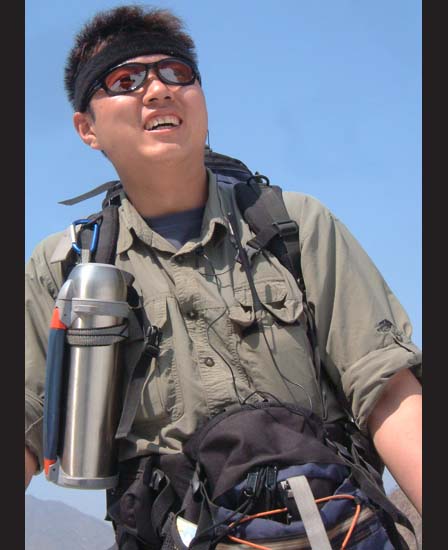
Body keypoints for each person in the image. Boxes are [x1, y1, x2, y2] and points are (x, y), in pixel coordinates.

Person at [25, 4, 422, 547]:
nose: (158, 90)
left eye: (177, 73)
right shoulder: (66, 269)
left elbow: (390, 394)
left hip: (335, 528)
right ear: (87, 128)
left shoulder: (295, 227)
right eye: (125, 80)